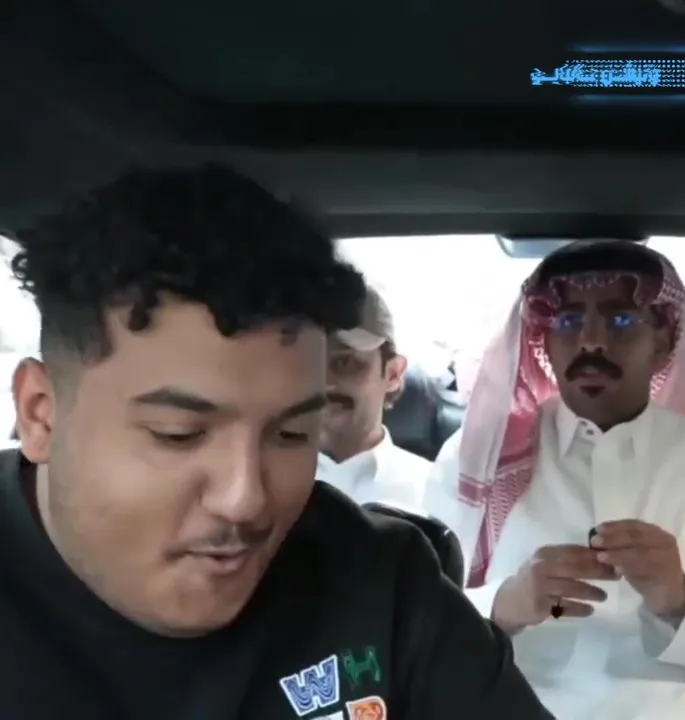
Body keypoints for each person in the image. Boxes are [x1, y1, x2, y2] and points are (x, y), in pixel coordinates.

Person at [0, 164, 551, 719]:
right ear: (41, 416)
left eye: (292, 434)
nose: (246, 500)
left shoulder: (383, 586)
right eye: (179, 434)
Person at [426, 240, 685, 719]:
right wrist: (504, 606)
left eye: (620, 320)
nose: (591, 342)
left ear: (662, 341)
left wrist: (677, 604)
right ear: (543, 340)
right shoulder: (479, 459)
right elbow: (424, 627)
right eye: (568, 322)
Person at [318, 285, 433, 512]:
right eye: (309, 362)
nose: (322, 381)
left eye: (345, 362)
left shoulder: (434, 492)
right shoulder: (261, 481)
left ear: (393, 374)